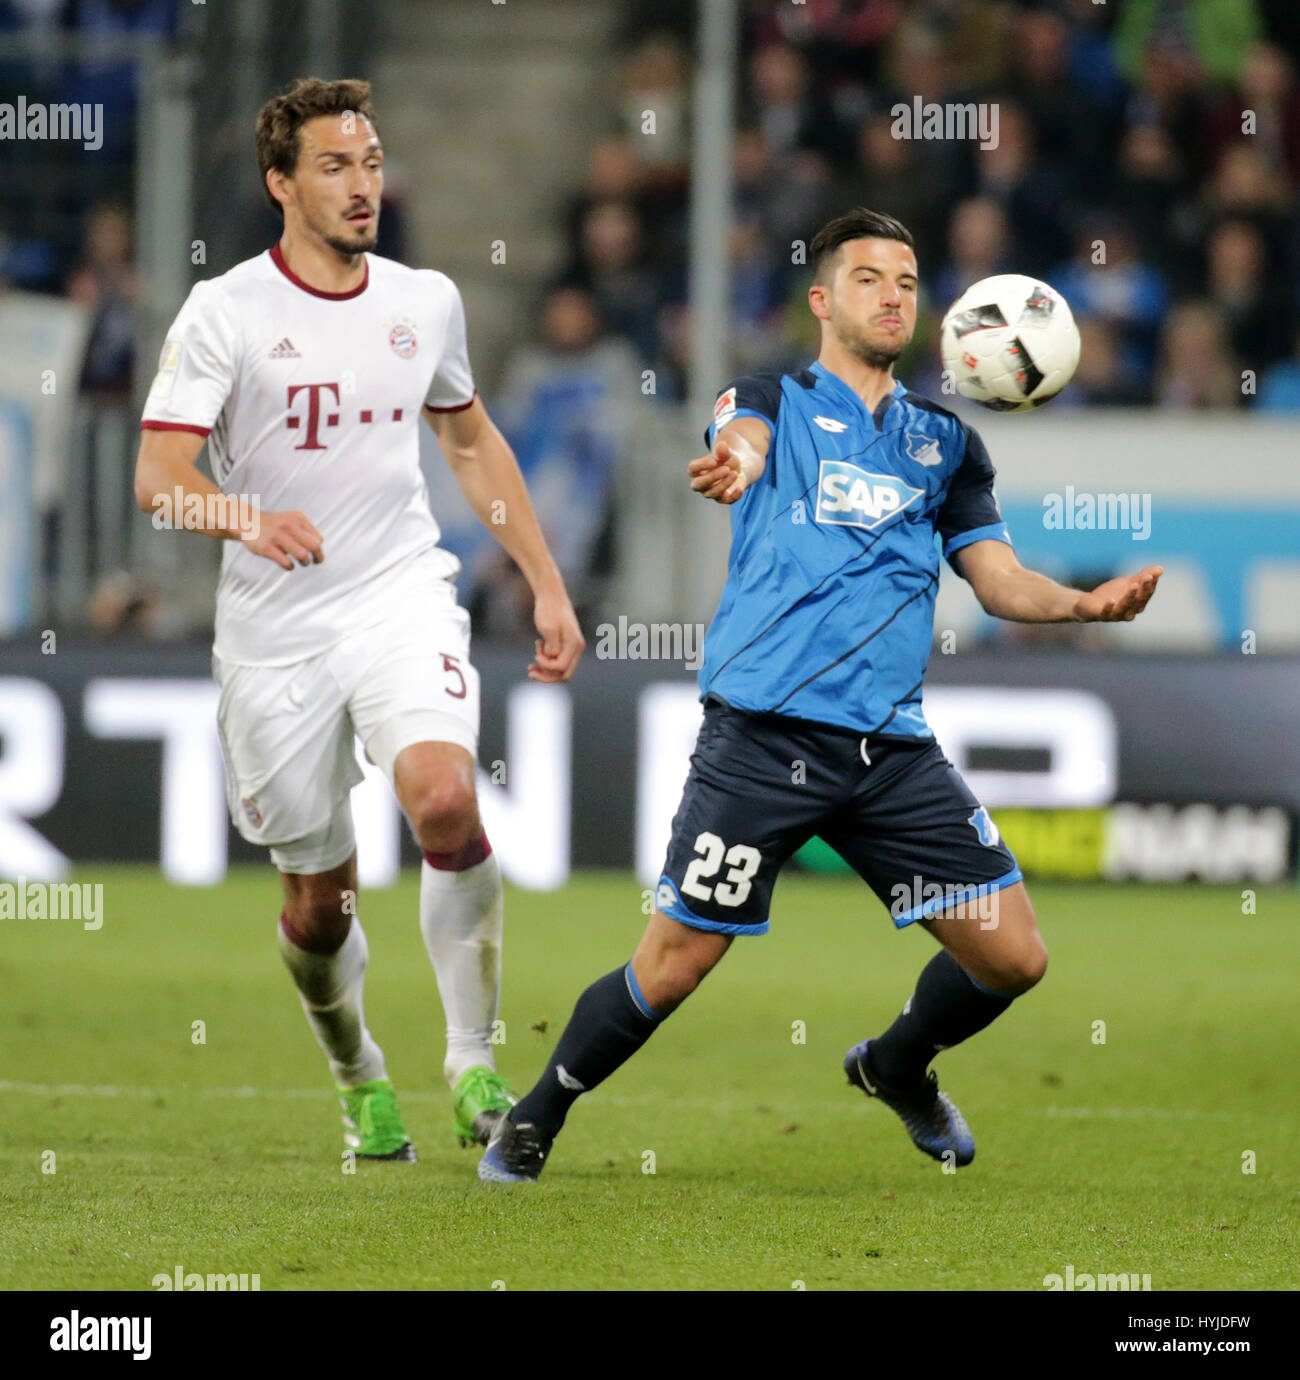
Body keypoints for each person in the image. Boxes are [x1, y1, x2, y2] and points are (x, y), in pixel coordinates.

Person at [479, 207, 1160, 1183]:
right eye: (870, 277)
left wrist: (1080, 602)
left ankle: (895, 1066)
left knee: (1012, 958)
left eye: (906, 281)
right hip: (761, 739)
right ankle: (538, 1112)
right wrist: (741, 459)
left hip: (887, 752)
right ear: (822, 299)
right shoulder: (770, 396)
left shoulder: (945, 445)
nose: (891, 295)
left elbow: (997, 577)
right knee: (673, 966)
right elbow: (740, 435)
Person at [132, 78, 584, 1162]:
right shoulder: (226, 311)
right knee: (317, 908)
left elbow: (469, 444)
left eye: (372, 161)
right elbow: (157, 476)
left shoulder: (423, 301)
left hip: (396, 592)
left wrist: (544, 578)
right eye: (335, 165)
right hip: (274, 632)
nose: (362, 183)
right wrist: (244, 518)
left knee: (441, 797)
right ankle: (355, 1074)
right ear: (281, 184)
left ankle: (473, 1059)